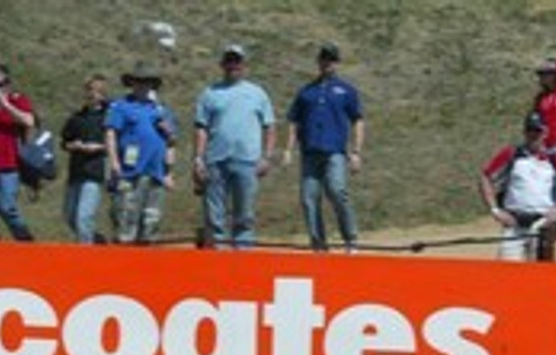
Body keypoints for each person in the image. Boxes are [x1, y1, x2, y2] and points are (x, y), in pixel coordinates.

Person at [193, 44, 276, 249]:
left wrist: (267, 156)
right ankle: (219, 263)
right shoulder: (210, 93)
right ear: (222, 64)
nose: (233, 66)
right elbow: (201, 128)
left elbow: (270, 126)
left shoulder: (257, 93)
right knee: (215, 217)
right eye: (229, 61)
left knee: (244, 216)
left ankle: (243, 263)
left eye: (236, 61)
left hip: (247, 161)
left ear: (244, 65)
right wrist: (198, 158)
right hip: (216, 160)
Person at [283, 43, 364, 253]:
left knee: (337, 191)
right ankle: (318, 244)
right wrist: (289, 149)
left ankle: (350, 238)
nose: (327, 63)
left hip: (334, 152)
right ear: (318, 61)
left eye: (331, 59)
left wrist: (356, 152)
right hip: (310, 153)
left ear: (336, 63)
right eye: (324, 59)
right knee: (309, 198)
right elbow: (293, 120)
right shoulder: (306, 92)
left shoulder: (346, 90)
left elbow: (358, 120)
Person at [479, 111, 556, 261]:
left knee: (540, 277)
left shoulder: (554, 158)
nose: (533, 135)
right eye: (530, 130)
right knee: (506, 274)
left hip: (542, 225)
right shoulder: (512, 154)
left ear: (545, 132)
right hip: (514, 224)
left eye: (538, 130)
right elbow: (486, 176)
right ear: (524, 132)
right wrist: (495, 210)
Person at [106, 61, 177, 244]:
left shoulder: (161, 110)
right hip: (130, 172)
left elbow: (171, 142)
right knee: (126, 217)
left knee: (151, 220)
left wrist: (169, 172)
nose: (143, 86)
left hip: (155, 173)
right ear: (132, 84)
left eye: (147, 82)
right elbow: (111, 133)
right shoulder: (121, 107)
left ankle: (147, 258)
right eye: (139, 82)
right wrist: (114, 162)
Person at [0, 64, 36, 241]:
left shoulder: (18, 101)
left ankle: (25, 241)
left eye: (2, 83)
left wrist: (5, 104)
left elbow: (29, 121)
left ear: (8, 83)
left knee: (7, 207)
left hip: (8, 165)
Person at [60, 74, 109, 244]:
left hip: (94, 172)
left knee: (83, 218)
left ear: (103, 94)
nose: (92, 94)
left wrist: (99, 147)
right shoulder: (77, 117)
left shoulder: (108, 117)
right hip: (76, 172)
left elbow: (117, 143)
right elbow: (64, 142)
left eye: (96, 91)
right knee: (69, 216)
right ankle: (97, 241)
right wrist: (73, 145)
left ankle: (85, 257)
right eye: (89, 90)